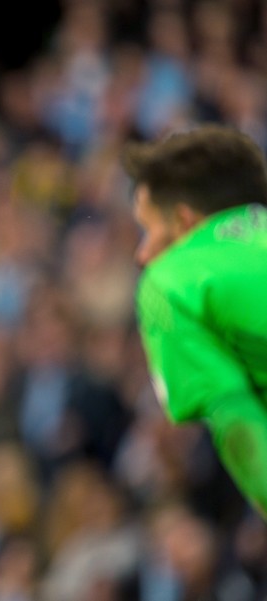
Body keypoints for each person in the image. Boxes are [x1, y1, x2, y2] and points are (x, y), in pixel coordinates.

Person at [123, 124, 267, 519]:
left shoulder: (172, 281)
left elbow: (235, 419)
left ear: (186, 222)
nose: (142, 253)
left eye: (149, 229)